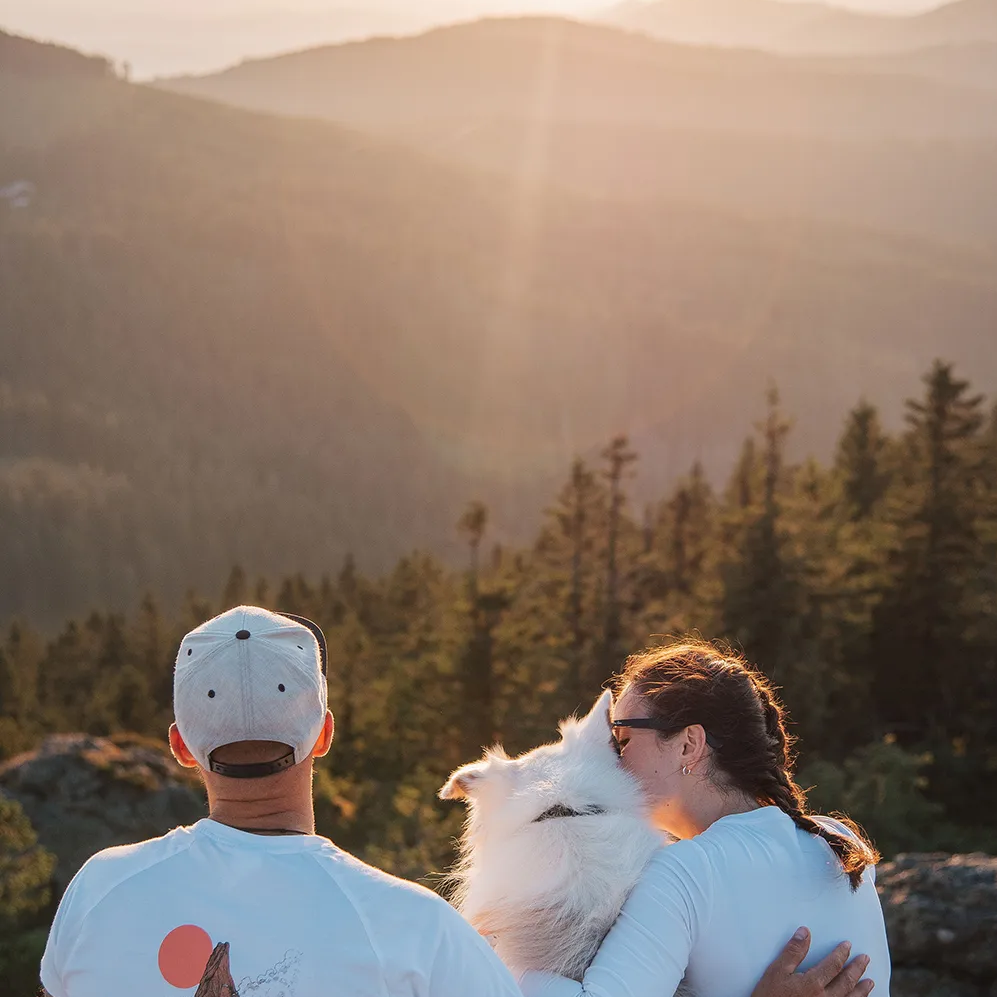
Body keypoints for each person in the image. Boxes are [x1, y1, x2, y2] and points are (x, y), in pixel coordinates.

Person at [39, 608, 876, 997]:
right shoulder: (413, 931)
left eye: (626, 735)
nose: (613, 752)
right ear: (325, 733)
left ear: (181, 745)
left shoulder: (93, 891)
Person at [519, 639, 892, 997]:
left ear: (688, 744)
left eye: (623, 737)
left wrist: (498, 954)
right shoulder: (840, 843)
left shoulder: (687, 871)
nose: (613, 758)